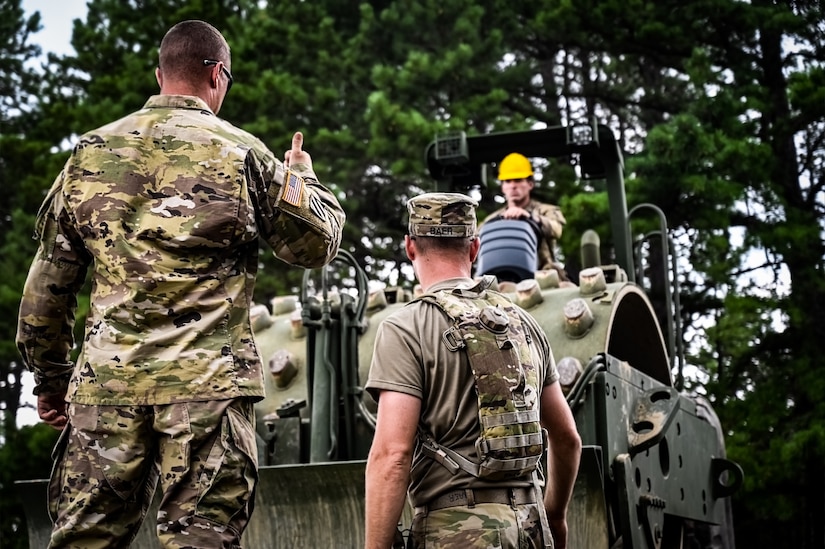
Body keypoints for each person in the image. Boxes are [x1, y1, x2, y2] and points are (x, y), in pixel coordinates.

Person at [15, 20, 345, 548]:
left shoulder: (89, 154)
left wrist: (52, 379)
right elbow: (314, 246)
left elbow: (46, 292)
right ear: (217, 74)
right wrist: (302, 177)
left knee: (84, 541)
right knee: (200, 539)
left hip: (107, 391)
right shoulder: (241, 153)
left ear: (159, 73)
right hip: (206, 394)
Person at [364, 192, 581, 549]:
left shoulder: (405, 327)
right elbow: (568, 438)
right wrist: (554, 516)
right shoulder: (525, 323)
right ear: (474, 248)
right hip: (531, 530)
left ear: (410, 247)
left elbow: (392, 456)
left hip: (455, 533)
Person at [482, 152, 568, 280]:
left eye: (518, 180)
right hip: (500, 279)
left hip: (544, 276)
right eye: (507, 181)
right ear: (502, 187)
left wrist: (531, 218)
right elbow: (473, 243)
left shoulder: (545, 211)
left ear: (530, 184)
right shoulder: (491, 221)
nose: (513, 186)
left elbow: (556, 229)